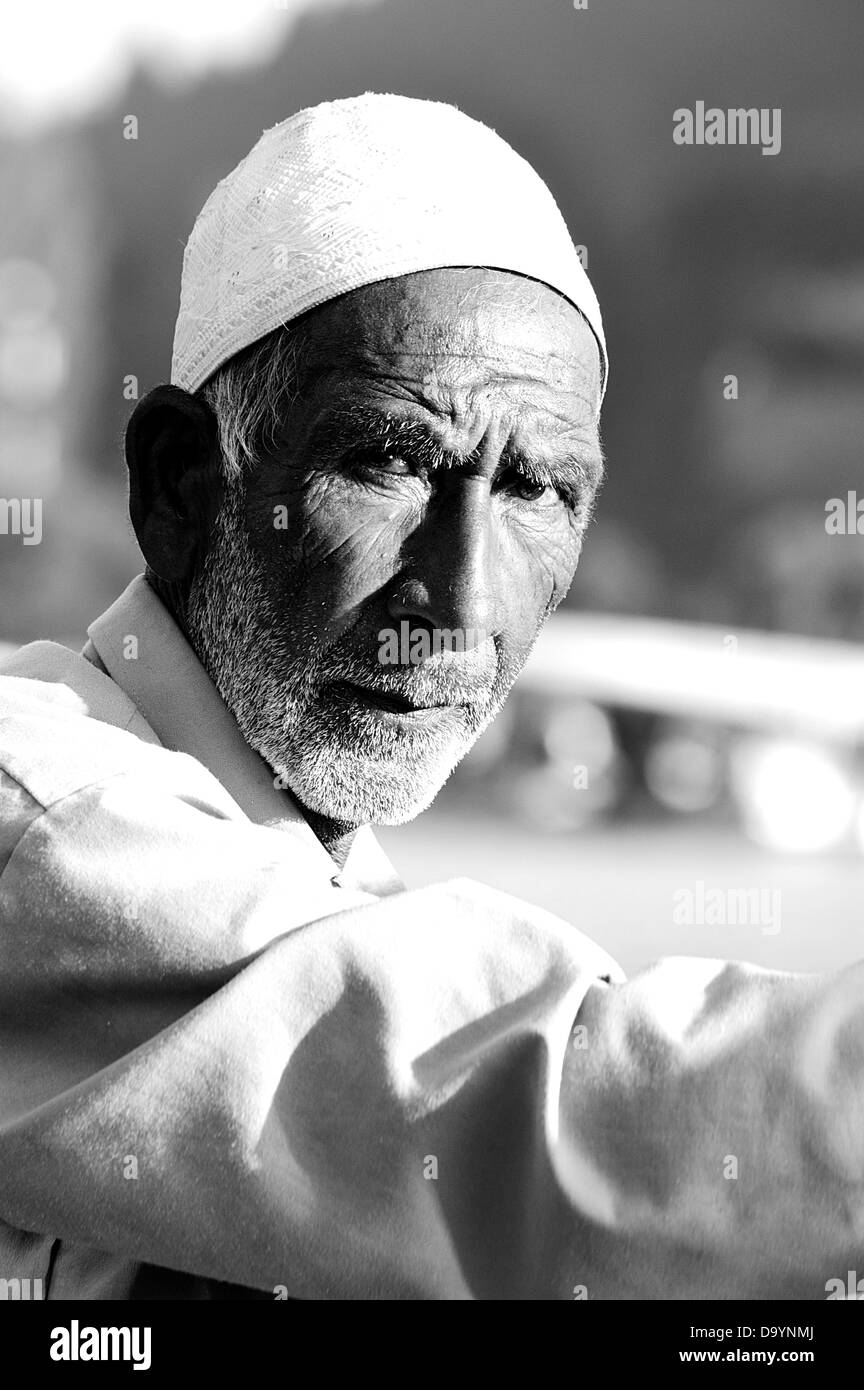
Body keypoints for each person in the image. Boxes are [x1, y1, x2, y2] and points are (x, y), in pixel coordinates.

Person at [0, 93, 860, 1301]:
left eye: (538, 492)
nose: (459, 598)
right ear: (181, 486)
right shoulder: (44, 824)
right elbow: (559, 1136)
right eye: (390, 463)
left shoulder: (321, 888)